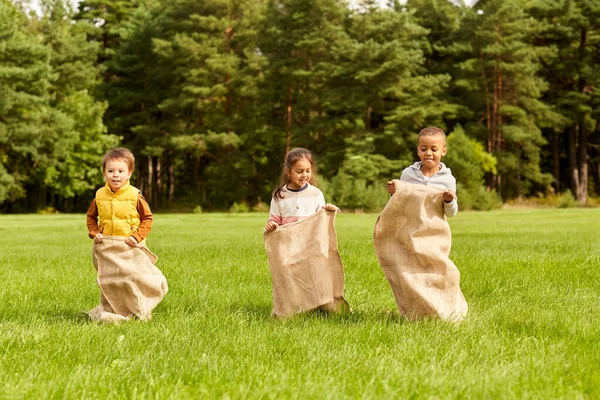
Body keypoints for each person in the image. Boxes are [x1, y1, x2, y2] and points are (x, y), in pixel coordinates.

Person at [386, 126, 458, 218]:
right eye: (423, 149)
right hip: (410, 229)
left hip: (436, 230)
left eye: (434, 149)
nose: (428, 153)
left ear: (443, 151)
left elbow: (451, 214)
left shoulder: (448, 179)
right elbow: (399, 204)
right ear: (418, 151)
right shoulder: (408, 174)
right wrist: (393, 192)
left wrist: (449, 201)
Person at [86, 148, 153, 244]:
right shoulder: (99, 195)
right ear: (104, 174)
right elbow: (90, 217)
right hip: (107, 243)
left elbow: (147, 218)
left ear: (129, 174)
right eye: (110, 171)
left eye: (121, 171)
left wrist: (136, 237)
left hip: (131, 244)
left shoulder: (135, 195)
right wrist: (95, 232)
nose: (115, 175)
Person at [265, 147, 339, 231]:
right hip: (288, 241)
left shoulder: (316, 194)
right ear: (288, 172)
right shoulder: (279, 195)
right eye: (299, 171)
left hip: (310, 241)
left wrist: (328, 210)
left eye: (308, 171)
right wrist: (272, 224)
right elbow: (274, 220)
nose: (304, 175)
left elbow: (321, 220)